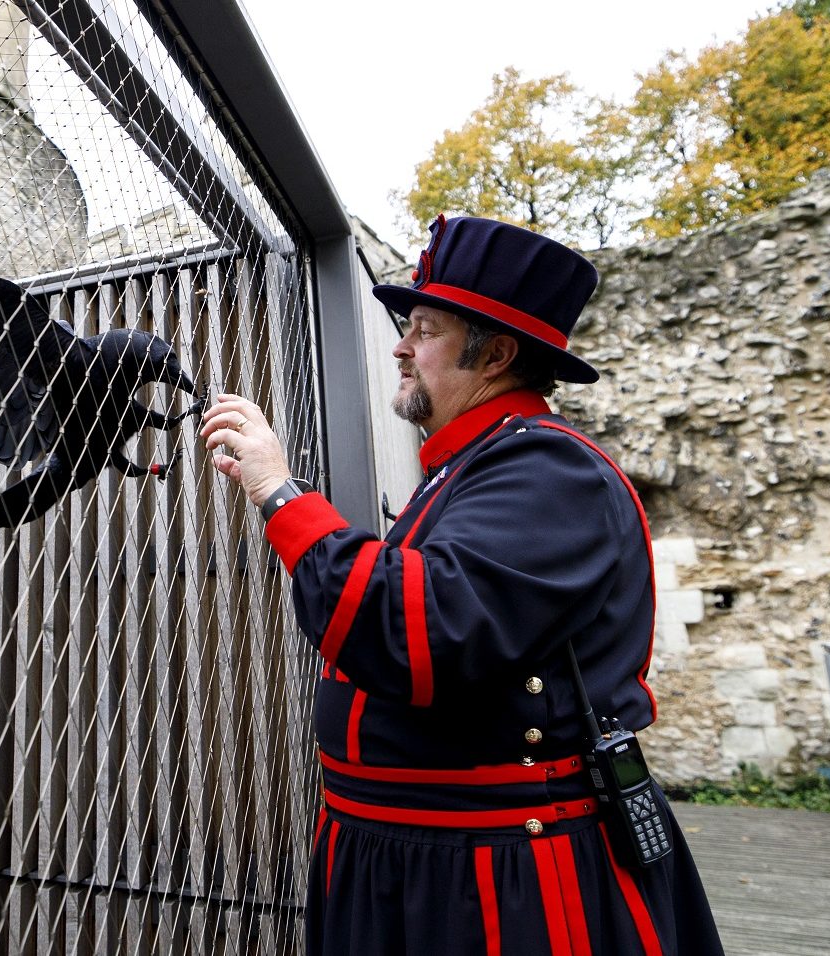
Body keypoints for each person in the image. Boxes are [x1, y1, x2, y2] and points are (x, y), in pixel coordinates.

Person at [200, 216, 723, 955]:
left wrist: (279, 492)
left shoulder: (549, 470)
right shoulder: (472, 466)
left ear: (497, 354)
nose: (401, 347)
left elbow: (411, 634)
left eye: (426, 329)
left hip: (493, 879)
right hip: (410, 858)